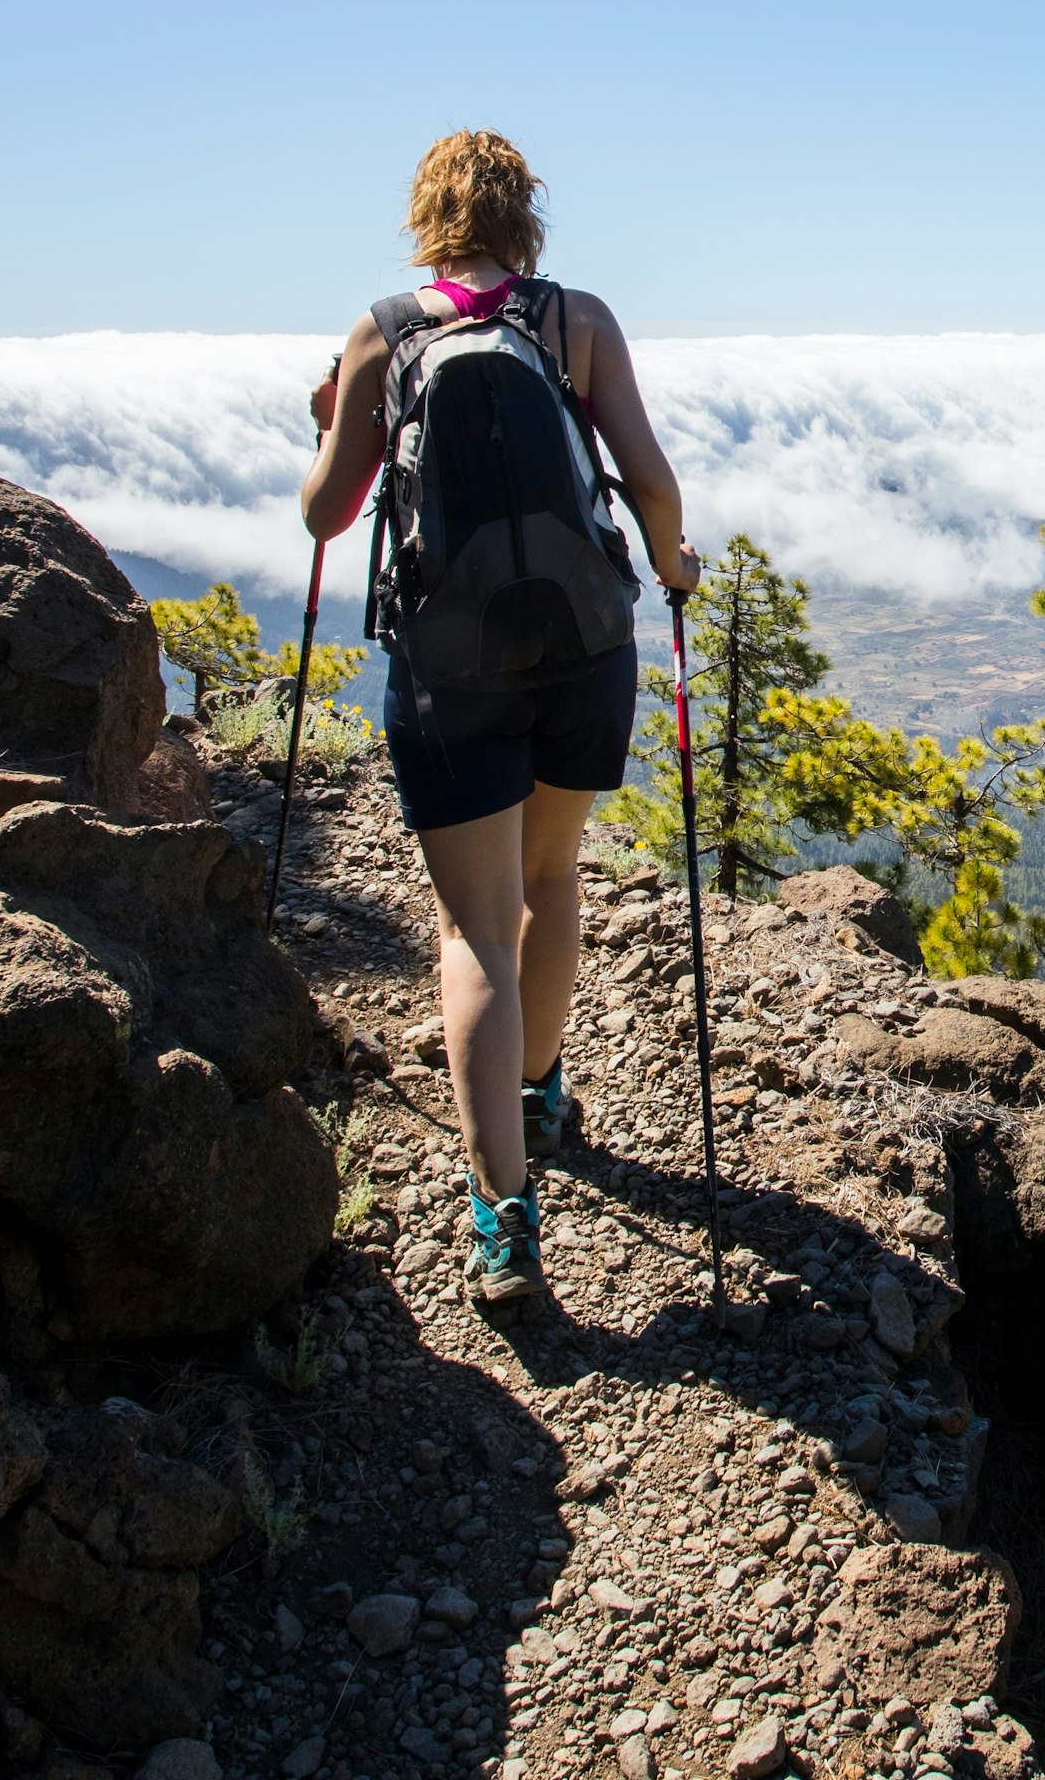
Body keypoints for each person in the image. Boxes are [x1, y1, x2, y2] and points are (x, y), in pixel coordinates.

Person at [300, 131, 697, 1305]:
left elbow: (329, 514)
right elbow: (650, 478)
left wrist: (331, 418)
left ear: (426, 215)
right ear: (529, 216)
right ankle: (537, 1090)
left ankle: (504, 1215)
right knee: (551, 880)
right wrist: (671, 569)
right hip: (583, 644)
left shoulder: (386, 329)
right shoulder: (577, 320)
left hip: (449, 660)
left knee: (476, 926)